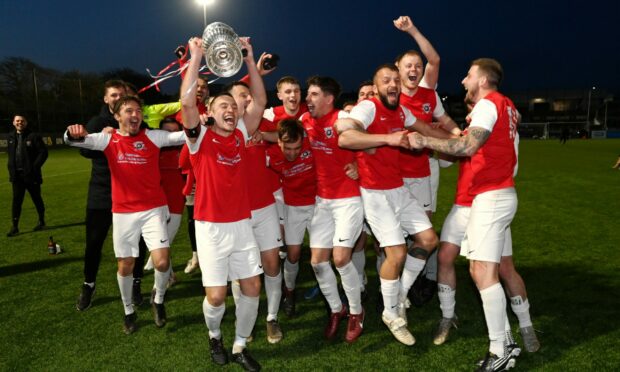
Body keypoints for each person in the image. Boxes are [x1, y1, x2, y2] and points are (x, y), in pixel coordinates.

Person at [409, 58, 522, 371]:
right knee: (479, 270)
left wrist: (423, 140)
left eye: (469, 75)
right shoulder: (508, 106)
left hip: (491, 195)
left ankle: (500, 349)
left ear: (483, 80)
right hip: (496, 193)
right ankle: (506, 342)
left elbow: (468, 147)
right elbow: (509, 156)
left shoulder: (489, 104)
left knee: (483, 273)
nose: (463, 80)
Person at [336, 64, 440, 346]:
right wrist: (387, 139)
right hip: (375, 194)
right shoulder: (368, 108)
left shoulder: (401, 111)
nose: (393, 84)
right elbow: (345, 137)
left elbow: (427, 129)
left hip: (398, 189)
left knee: (429, 240)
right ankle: (391, 313)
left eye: (396, 79)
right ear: (377, 85)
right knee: (395, 253)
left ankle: (401, 293)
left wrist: (461, 140)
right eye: (386, 80)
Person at [65, 95, 185, 334]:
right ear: (117, 116)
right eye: (128, 111)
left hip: (153, 210)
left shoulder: (152, 136)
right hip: (123, 213)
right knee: (126, 265)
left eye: (138, 111)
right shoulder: (108, 139)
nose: (135, 115)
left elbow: (180, 136)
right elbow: (74, 141)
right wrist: (72, 132)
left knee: (162, 261)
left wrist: (202, 123)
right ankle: (128, 311)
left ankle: (158, 299)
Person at [181, 36, 263, 371]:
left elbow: (258, 99)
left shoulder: (243, 134)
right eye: (222, 106)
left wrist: (250, 58)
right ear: (210, 113)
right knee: (216, 296)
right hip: (211, 227)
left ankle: (241, 345)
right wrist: (196, 55)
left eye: (233, 106)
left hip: (242, 224)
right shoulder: (200, 138)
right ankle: (215, 336)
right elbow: (187, 103)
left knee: (252, 287)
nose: (230, 110)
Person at [393, 15, 461, 307]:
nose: (414, 69)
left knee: (424, 230)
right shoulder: (390, 95)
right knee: (393, 233)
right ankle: (394, 282)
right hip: (394, 173)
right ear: (398, 69)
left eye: (417, 66)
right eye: (408, 65)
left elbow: (435, 60)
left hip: (423, 171)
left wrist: (412, 31)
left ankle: (421, 279)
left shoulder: (427, 94)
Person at [300, 75, 365, 344]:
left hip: (348, 199)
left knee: (340, 258)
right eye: (308, 93)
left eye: (314, 94)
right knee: (317, 261)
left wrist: (360, 167)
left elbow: (370, 145)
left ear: (328, 99)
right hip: (322, 201)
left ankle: (356, 312)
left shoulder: (342, 121)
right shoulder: (305, 120)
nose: (308, 98)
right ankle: (337, 309)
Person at [75, 80, 148, 311]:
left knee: (137, 244)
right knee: (94, 243)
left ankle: (136, 284)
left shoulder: (138, 121)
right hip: (102, 193)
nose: (118, 98)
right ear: (106, 99)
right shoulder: (98, 122)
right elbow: (84, 149)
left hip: (131, 195)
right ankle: (88, 285)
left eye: (123, 95)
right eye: (114, 95)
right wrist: (102, 139)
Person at [266, 118, 317, 317]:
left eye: (297, 148)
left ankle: (332, 300)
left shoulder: (311, 145)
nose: (293, 153)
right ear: (279, 141)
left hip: (316, 206)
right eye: (288, 148)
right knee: (293, 254)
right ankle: (290, 291)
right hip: (292, 208)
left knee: (320, 256)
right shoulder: (271, 155)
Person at [6, 114, 48, 237]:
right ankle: (15, 227)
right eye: (17, 121)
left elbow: (43, 153)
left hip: (31, 176)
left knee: (36, 198)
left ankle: (41, 221)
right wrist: (11, 168)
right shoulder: (10, 137)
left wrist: (34, 168)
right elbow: (11, 155)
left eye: (22, 121)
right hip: (17, 176)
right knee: (16, 201)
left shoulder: (33, 136)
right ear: (13, 123)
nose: (20, 123)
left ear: (26, 122)